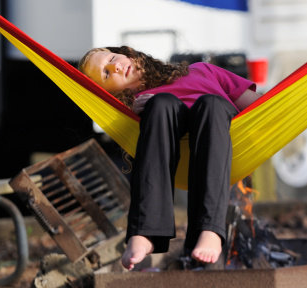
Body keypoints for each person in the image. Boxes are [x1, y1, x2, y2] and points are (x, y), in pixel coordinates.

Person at [78, 46, 259, 270]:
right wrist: (133, 110)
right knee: (160, 104)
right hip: (166, 127)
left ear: (128, 54)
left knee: (210, 105)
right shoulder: (137, 108)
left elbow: (257, 106)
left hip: (218, 127)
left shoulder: (202, 70)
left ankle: (210, 229)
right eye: (106, 74)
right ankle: (145, 232)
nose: (114, 67)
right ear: (109, 94)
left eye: (113, 58)